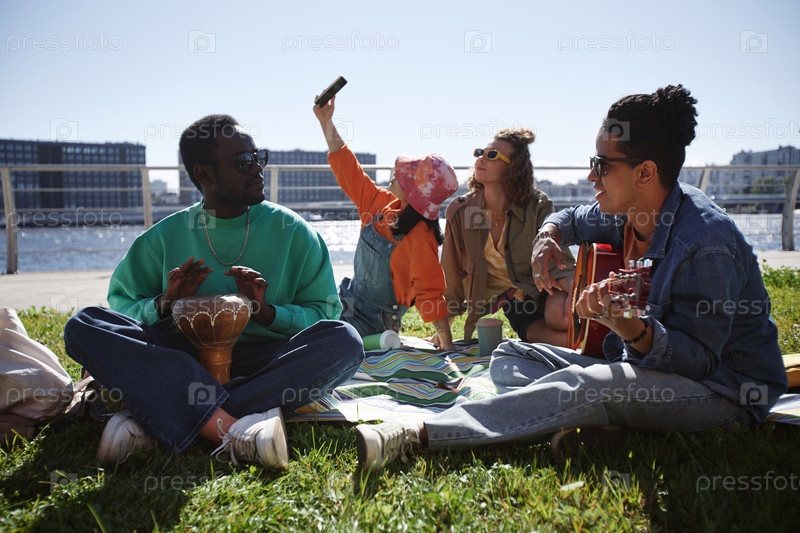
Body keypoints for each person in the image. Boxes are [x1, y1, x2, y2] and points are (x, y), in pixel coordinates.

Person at [353, 85, 788, 471]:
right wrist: (548, 235)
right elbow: (573, 217)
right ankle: (603, 421)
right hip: (638, 369)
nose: (590, 175)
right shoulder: (630, 210)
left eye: (602, 165)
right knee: (511, 356)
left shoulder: (706, 244)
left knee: (588, 384)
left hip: (723, 393)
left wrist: (631, 329)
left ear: (645, 173)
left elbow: (699, 362)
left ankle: (418, 433)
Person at [63, 114, 364, 467]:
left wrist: (268, 313)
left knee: (344, 341)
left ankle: (156, 417)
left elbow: (324, 313)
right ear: (205, 174)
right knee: (85, 324)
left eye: (259, 157)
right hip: (181, 359)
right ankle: (233, 428)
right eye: (244, 161)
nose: (257, 168)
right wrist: (164, 304)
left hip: (263, 361)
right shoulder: (162, 238)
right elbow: (121, 309)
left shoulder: (295, 232)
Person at [313, 97, 458, 351]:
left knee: (315, 336)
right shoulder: (380, 203)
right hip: (345, 300)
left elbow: (429, 293)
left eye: (404, 176)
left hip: (374, 325)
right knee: (301, 304)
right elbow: (349, 169)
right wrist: (326, 121)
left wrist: (447, 345)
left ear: (414, 194)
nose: (395, 174)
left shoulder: (420, 236)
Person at [432, 127, 575, 347]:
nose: (481, 159)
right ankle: (593, 345)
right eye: (480, 152)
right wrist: (444, 333)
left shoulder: (537, 206)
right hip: (514, 303)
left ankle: (600, 338)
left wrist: (573, 289)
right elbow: (451, 274)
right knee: (566, 342)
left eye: (491, 155)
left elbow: (559, 259)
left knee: (561, 318)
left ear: (513, 169)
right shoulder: (461, 212)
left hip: (542, 288)